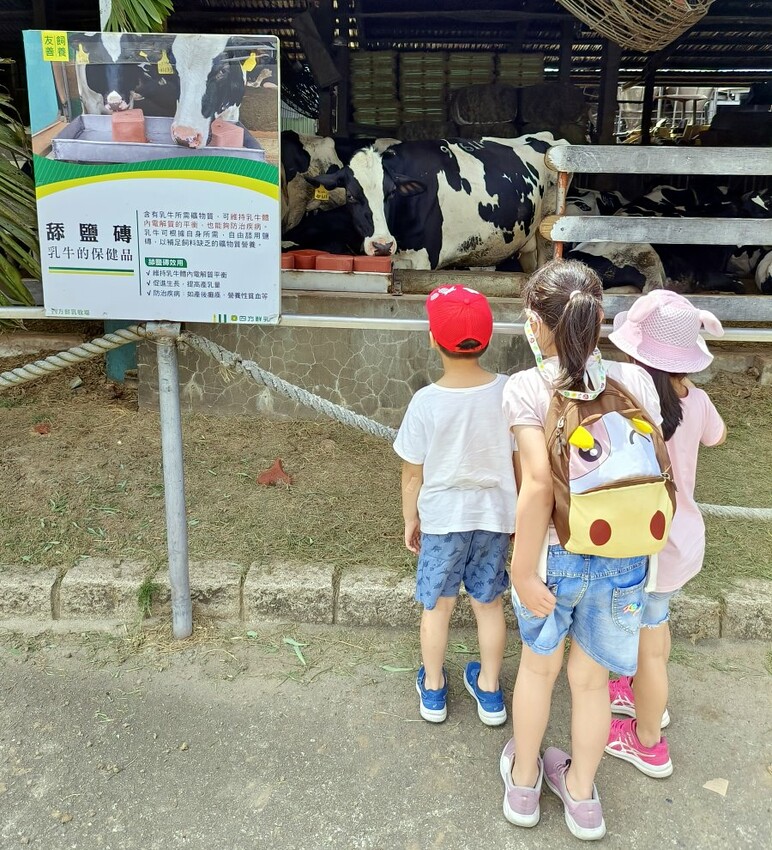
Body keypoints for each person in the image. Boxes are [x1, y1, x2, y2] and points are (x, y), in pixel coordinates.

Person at [500, 259, 664, 841]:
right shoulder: (637, 381)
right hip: (625, 556)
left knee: (538, 673)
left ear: (535, 324)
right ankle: (582, 794)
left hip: (553, 556)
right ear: (599, 321)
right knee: (592, 685)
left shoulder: (525, 388)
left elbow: (538, 486)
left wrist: (521, 571)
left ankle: (523, 784)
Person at [605, 289, 726, 778]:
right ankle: (641, 696)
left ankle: (648, 739)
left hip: (643, 543)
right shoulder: (696, 401)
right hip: (680, 542)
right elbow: (718, 436)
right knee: (655, 628)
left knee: (647, 638)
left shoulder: (627, 403)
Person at [394, 285, 516, 726]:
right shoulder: (509, 393)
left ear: (432, 338)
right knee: (488, 605)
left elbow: (413, 473)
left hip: (443, 522)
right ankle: (489, 692)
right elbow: (520, 460)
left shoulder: (426, 402)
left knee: (438, 607)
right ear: (487, 339)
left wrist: (412, 518)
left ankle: (433, 690)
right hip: (495, 518)